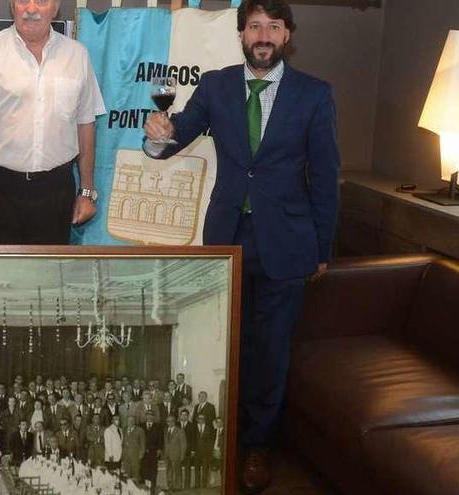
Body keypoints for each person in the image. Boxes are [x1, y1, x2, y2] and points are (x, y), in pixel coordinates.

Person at [144, 0, 339, 491]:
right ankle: (217, 439)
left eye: (274, 26)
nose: (264, 34)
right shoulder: (215, 85)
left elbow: (326, 177)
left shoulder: (315, 95)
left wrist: (322, 247)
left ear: (288, 36)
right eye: (255, 25)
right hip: (226, 239)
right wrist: (157, 136)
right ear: (241, 34)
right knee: (221, 345)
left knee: (269, 350)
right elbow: (174, 139)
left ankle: (256, 447)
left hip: (287, 243)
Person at [0, 0, 105, 244]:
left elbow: (86, 125)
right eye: (23, 1)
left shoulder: (77, 55)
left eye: (41, 1)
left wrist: (86, 192)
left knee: (50, 278)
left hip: (56, 191)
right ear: (12, 5)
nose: (31, 9)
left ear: (56, 7)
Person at [162, 415, 186, 491]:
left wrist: (182, 455)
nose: (169, 423)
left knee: (177, 471)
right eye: (168, 421)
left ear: (174, 421)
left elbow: (183, 444)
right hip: (167, 455)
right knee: (168, 471)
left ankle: (177, 486)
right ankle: (170, 486)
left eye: (171, 421)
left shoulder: (180, 430)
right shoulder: (165, 430)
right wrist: (164, 454)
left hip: (176, 455)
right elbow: (165, 443)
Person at [141, 410, 163, 493]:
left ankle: (152, 490)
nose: (149, 417)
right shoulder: (141, 425)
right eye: (148, 415)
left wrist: (159, 449)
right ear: (145, 416)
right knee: (144, 471)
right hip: (144, 452)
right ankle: (144, 490)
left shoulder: (158, 426)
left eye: (151, 415)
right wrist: (143, 448)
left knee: (153, 471)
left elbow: (161, 439)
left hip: (154, 452)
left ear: (153, 417)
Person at [121, 415, 144, 482]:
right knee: (126, 474)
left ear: (134, 421)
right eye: (129, 421)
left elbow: (142, 443)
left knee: (135, 474)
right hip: (126, 456)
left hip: (135, 456)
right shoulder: (124, 430)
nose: (130, 422)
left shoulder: (140, 430)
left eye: (132, 420)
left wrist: (141, 454)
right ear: (126, 421)